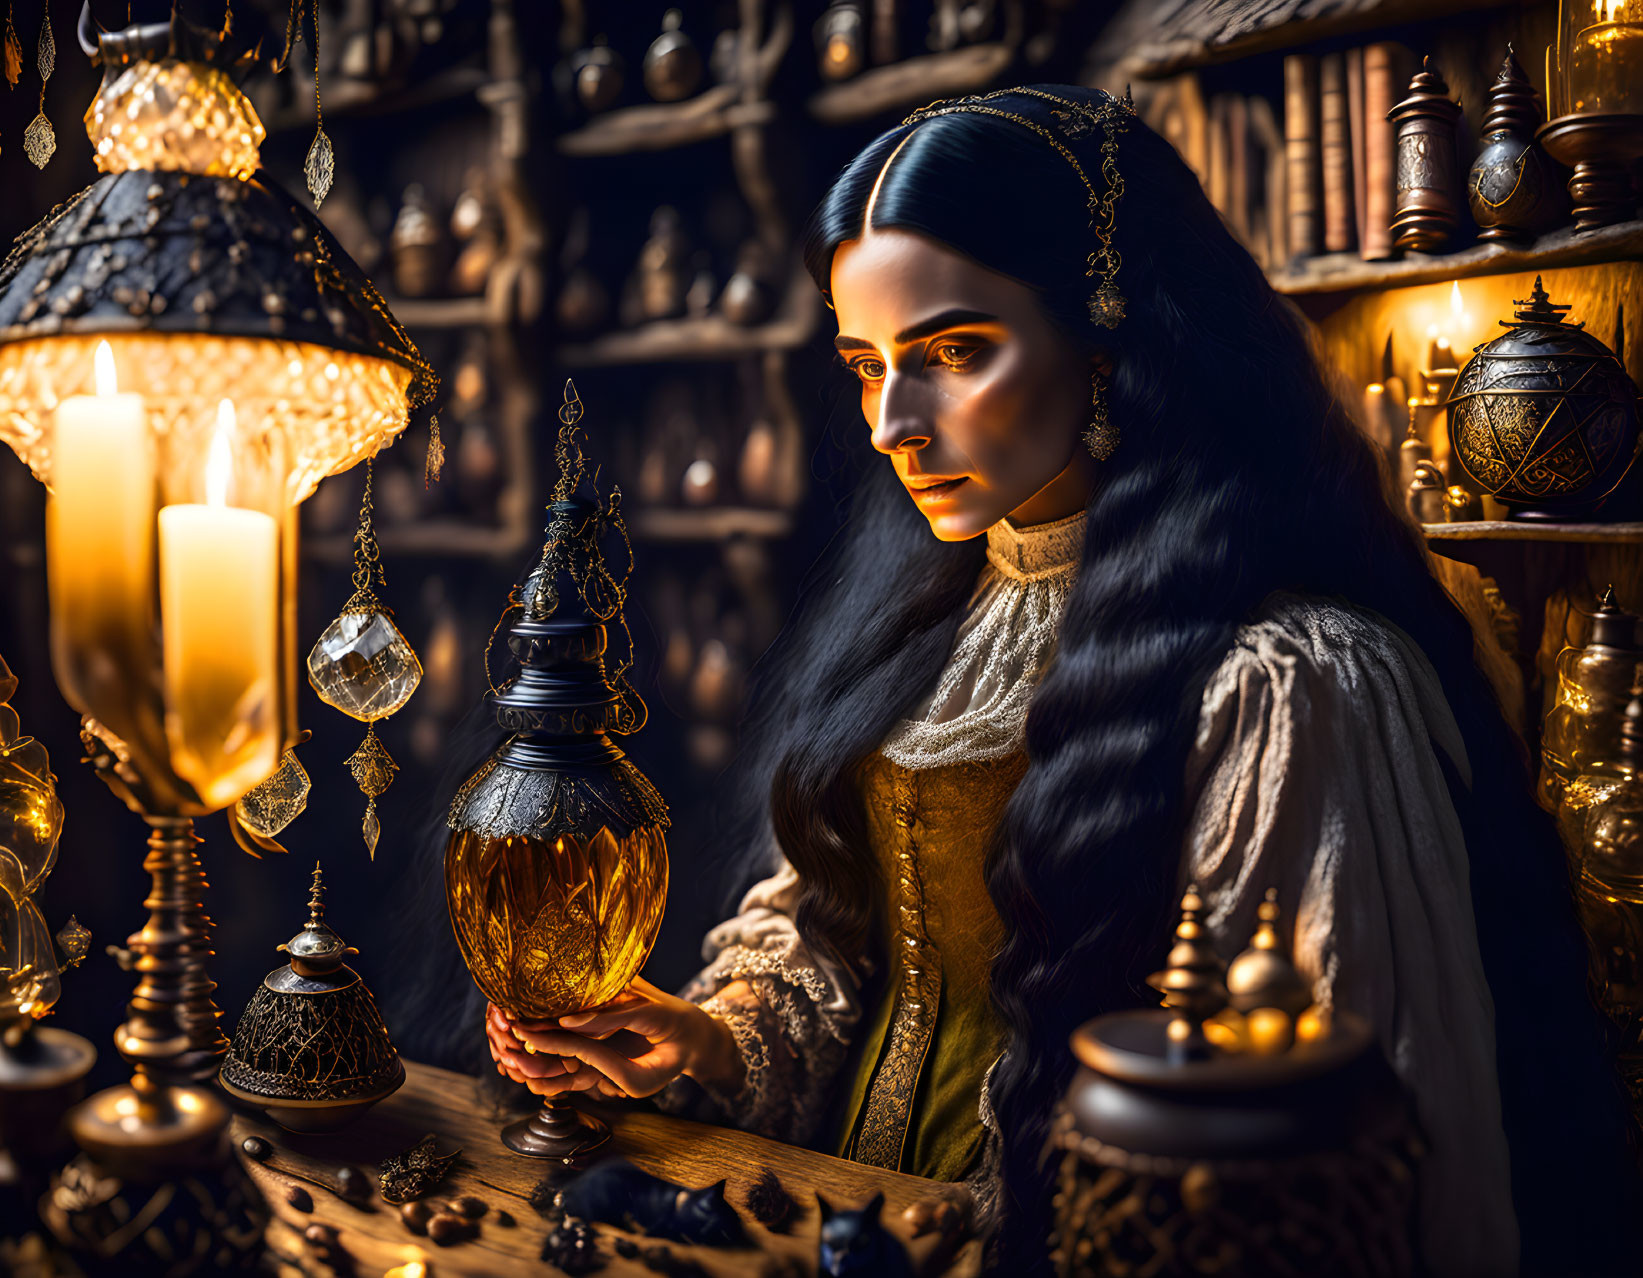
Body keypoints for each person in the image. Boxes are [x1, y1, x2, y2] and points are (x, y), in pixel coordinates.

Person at [486, 86, 1638, 1275]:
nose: (891, 423)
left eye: (952, 353)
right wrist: (702, 1041)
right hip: (827, 1230)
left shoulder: (1289, 683)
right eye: (864, 365)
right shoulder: (928, 626)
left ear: (1108, 339)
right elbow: (835, 934)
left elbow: (1331, 1141)